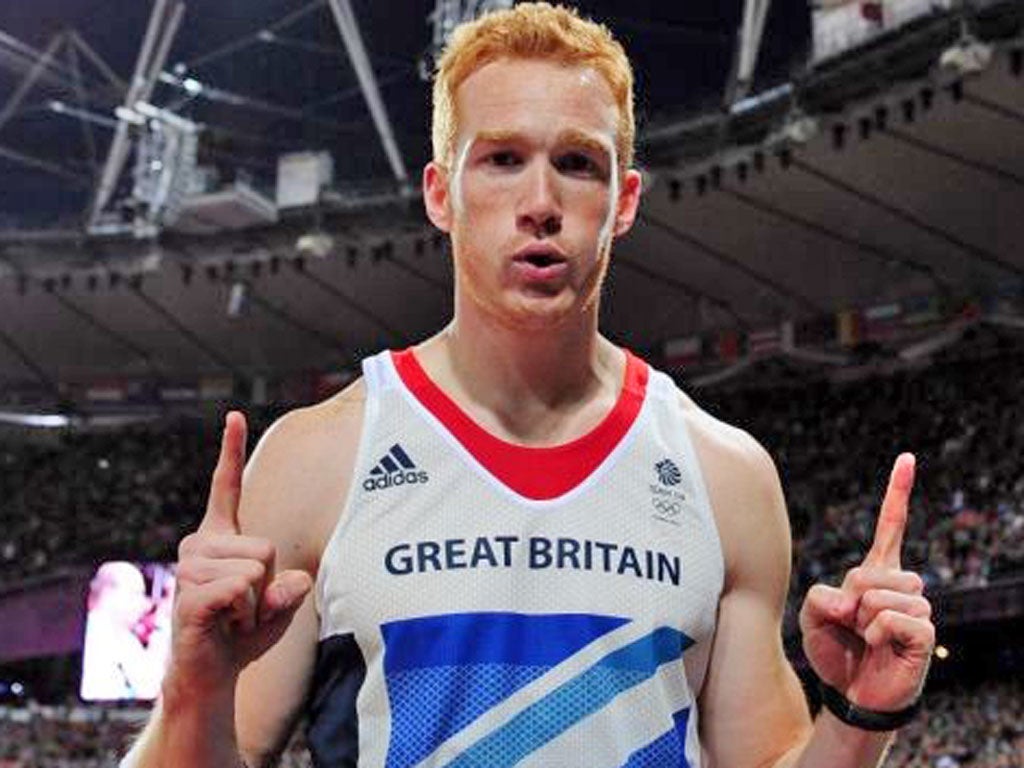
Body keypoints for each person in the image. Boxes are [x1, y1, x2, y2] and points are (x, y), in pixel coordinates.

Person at [124, 4, 935, 766]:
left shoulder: (725, 477)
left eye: (578, 165)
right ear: (442, 195)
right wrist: (192, 690)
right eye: (503, 159)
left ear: (624, 201)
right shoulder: (315, 460)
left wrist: (861, 718)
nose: (541, 203)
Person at [80, 561, 163, 701]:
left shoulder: (125, 637)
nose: (145, 605)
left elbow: (150, 688)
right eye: (137, 594)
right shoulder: (90, 635)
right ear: (109, 593)